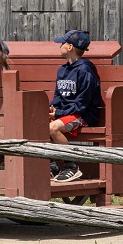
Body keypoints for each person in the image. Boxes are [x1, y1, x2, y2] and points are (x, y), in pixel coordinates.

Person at [48, 29, 102, 182]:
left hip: (82, 116)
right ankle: (52, 166)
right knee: (38, 124)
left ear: (70, 47)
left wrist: (59, 114)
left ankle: (71, 166)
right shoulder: (63, 70)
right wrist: (52, 109)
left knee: (53, 128)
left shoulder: (86, 70)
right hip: (66, 114)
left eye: (62, 43)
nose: (60, 46)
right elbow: (58, 96)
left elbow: (82, 104)